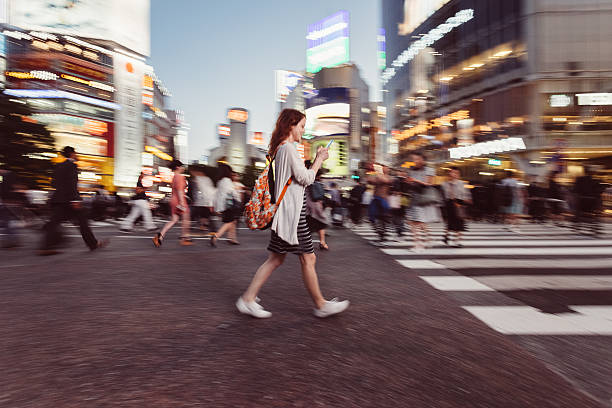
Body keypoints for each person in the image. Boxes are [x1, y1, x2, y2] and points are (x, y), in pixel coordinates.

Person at [236, 108, 349, 318]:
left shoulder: (281, 148)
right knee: (308, 259)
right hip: (292, 216)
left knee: (276, 259)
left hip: (287, 213)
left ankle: (248, 298)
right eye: (302, 126)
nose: (303, 131)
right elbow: (306, 178)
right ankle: (321, 305)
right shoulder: (288, 149)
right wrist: (320, 159)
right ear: (291, 125)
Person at [39, 146, 108, 255]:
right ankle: (93, 244)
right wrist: (75, 199)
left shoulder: (58, 165)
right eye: (75, 153)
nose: (76, 155)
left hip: (58, 199)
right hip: (70, 200)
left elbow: (53, 183)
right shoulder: (72, 166)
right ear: (72, 153)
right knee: (82, 222)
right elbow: (72, 184)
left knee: (55, 222)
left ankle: (45, 247)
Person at [152, 159, 192, 247]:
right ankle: (184, 238)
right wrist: (182, 202)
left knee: (174, 220)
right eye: (182, 166)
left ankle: (159, 237)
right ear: (178, 167)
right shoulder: (180, 177)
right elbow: (180, 190)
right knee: (186, 218)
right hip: (179, 200)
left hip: (173, 201)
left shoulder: (174, 177)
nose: (183, 168)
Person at [406, 152, 441, 252]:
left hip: (423, 199)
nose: (415, 161)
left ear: (422, 160)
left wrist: (415, 181)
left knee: (416, 222)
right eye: (414, 159)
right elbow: (411, 184)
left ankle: (419, 245)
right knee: (414, 222)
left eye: (417, 159)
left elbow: (429, 184)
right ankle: (425, 241)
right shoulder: (411, 170)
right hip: (413, 198)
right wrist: (408, 182)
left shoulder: (429, 170)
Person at [210, 164, 241, 246]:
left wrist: (215, 206)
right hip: (229, 205)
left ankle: (232, 238)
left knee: (233, 221)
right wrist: (238, 198)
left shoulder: (220, 181)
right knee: (229, 222)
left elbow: (216, 194)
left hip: (223, 205)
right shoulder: (227, 180)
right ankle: (216, 236)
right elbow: (231, 192)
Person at [441, 166, 470, 247]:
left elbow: (466, 194)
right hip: (449, 204)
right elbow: (444, 195)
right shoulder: (445, 184)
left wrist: (466, 201)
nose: (454, 174)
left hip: (460, 204)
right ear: (449, 173)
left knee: (459, 223)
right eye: (452, 172)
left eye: (456, 173)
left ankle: (456, 241)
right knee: (450, 222)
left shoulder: (462, 183)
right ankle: (446, 236)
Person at [304, 161, 329, 250]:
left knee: (310, 226)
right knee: (319, 224)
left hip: (309, 208)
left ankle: (319, 242)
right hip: (315, 207)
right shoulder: (315, 182)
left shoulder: (307, 179)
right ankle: (322, 242)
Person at [572, 166, 603, 236]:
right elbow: (598, 193)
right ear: (592, 172)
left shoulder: (579, 179)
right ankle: (594, 227)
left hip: (581, 201)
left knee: (578, 212)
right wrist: (599, 204)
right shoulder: (596, 181)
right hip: (592, 202)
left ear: (584, 172)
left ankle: (577, 225)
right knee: (593, 213)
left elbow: (575, 191)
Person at [368, 165, 393, 246]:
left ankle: (382, 236)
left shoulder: (389, 177)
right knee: (372, 218)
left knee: (383, 218)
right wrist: (371, 174)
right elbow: (370, 181)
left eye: (386, 167)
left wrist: (377, 173)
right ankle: (380, 234)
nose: (385, 168)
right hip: (375, 199)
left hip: (383, 200)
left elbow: (386, 181)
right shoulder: (378, 176)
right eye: (383, 167)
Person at [191, 167, 216, 232]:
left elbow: (208, 190)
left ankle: (206, 226)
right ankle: (203, 226)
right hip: (202, 200)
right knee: (204, 214)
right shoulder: (203, 179)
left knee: (205, 214)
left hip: (205, 200)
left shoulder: (202, 179)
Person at [0, 169, 19, 248]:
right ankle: (13, 239)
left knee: (6, 221)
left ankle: (11, 240)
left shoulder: (5, 178)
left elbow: (3, 189)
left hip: (6, 201)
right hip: (9, 201)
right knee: (7, 221)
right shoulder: (11, 177)